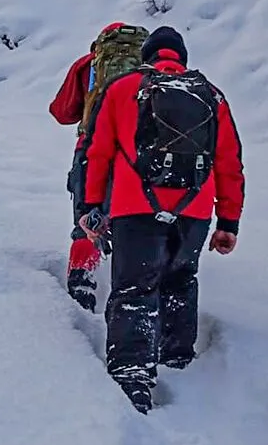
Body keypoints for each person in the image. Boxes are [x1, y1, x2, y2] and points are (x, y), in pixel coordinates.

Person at [78, 25, 244, 413]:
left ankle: (133, 373)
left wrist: (90, 207)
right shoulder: (211, 95)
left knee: (134, 288)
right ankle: (178, 360)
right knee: (180, 280)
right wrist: (228, 223)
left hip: (134, 208)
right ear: (181, 58)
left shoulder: (121, 89)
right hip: (195, 211)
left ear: (146, 56)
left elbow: (98, 152)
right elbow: (229, 163)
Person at [49, 22, 130, 312]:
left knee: (86, 221)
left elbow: (61, 112)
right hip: (132, 156)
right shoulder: (147, 69)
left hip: (89, 149)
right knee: (131, 224)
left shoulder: (87, 65)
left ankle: (82, 288)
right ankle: (128, 295)